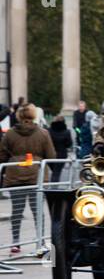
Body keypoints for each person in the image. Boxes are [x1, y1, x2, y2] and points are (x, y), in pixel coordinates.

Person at [1, 104, 56, 252]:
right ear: (34, 115)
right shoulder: (43, 133)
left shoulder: (10, 134)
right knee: (37, 210)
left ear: (18, 116)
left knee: (17, 210)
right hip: (36, 175)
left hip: (15, 175)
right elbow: (51, 156)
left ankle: (15, 242)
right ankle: (40, 241)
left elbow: (2, 155)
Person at [47, 114, 72, 182]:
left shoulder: (48, 131)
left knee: (54, 172)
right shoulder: (67, 132)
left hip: (50, 153)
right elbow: (69, 144)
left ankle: (53, 186)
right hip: (61, 155)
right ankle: (54, 188)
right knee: (56, 173)